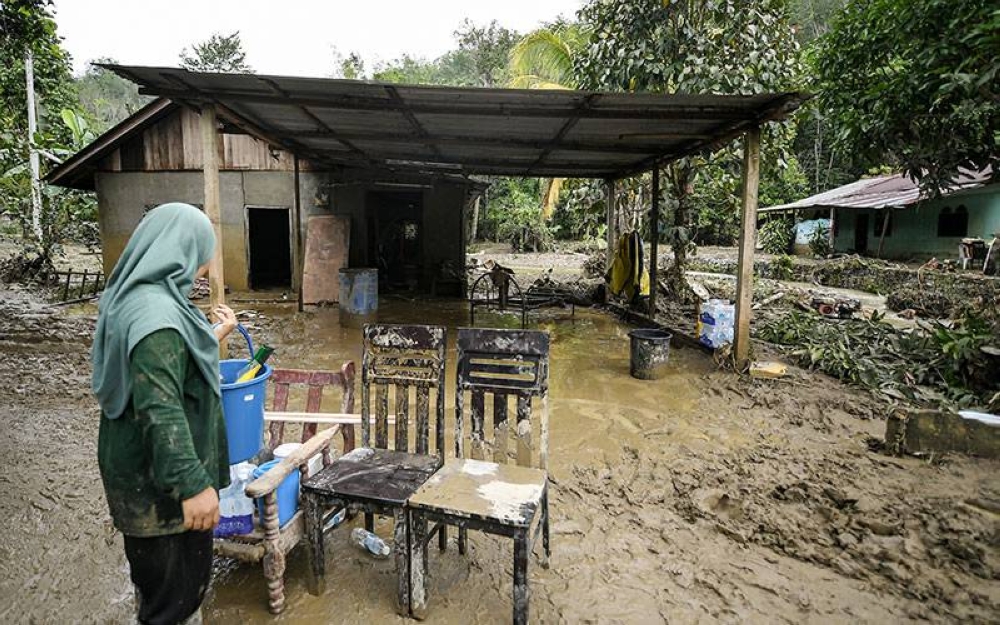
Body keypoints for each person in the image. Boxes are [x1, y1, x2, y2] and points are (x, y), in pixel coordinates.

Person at [91, 202, 238, 625]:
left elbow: (162, 368)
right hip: (162, 491)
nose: (204, 270)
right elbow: (160, 409)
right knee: (174, 605)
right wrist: (194, 485)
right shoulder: (158, 318)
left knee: (157, 597)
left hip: (142, 480)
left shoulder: (135, 299)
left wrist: (212, 336)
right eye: (202, 256)